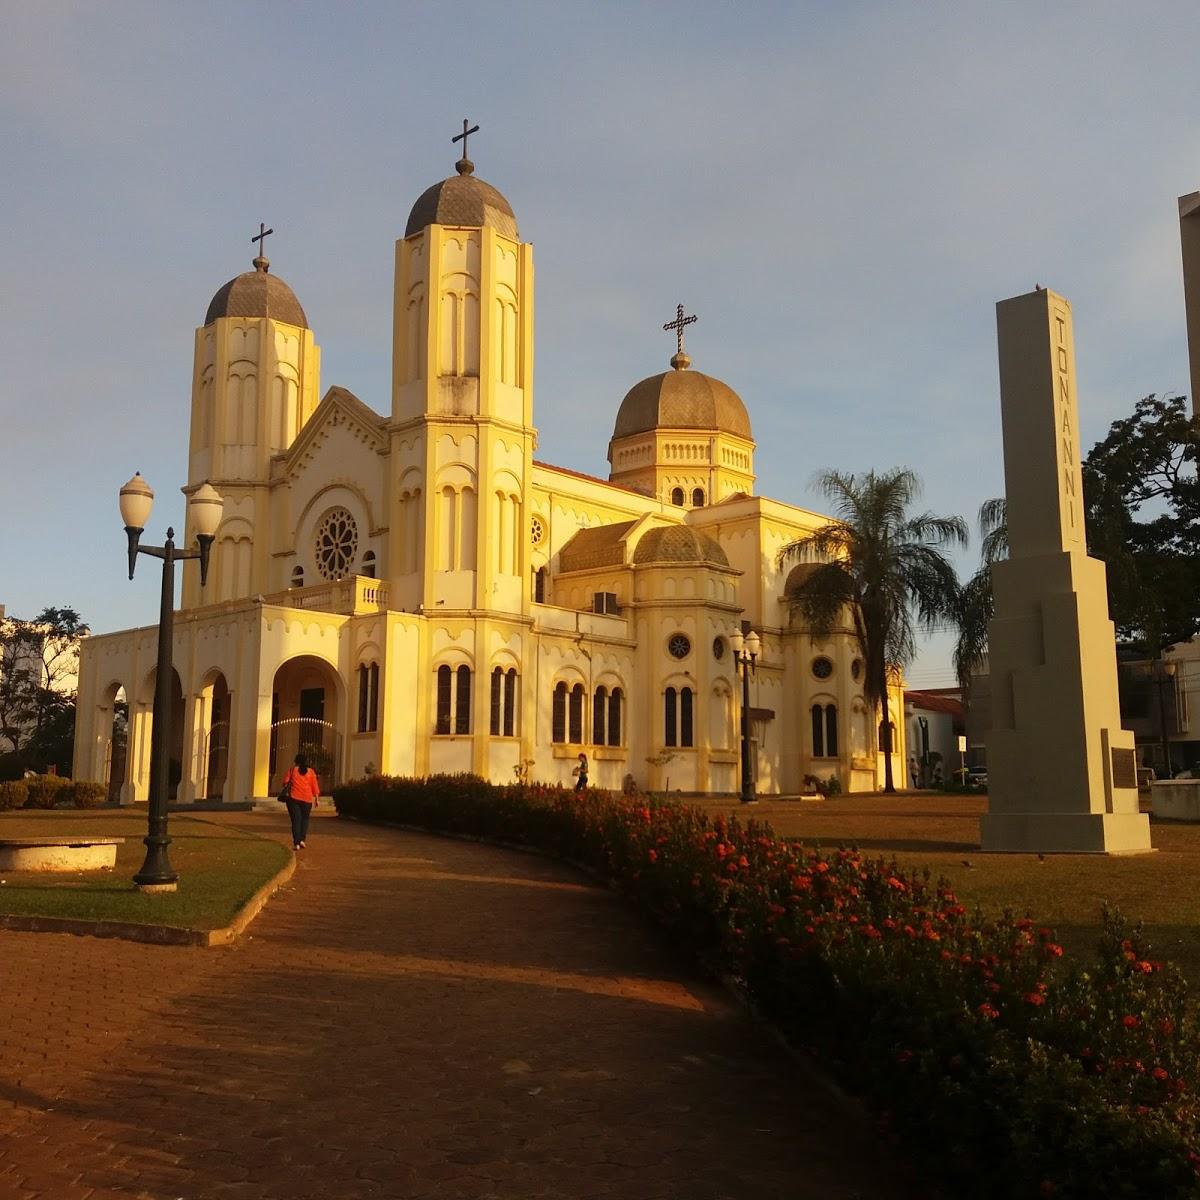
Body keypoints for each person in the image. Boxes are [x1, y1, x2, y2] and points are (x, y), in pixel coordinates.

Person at [280, 753, 320, 850]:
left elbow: (285, 783)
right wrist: (317, 799)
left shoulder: (292, 770)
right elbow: (314, 786)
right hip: (307, 799)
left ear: (296, 761)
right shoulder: (311, 772)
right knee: (305, 820)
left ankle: (296, 843)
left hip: (294, 799)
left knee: (296, 821)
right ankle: (302, 840)